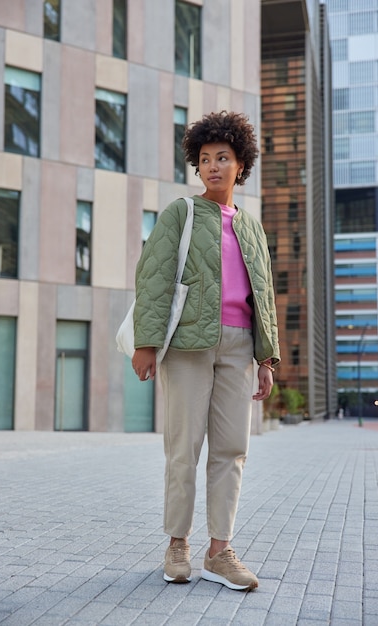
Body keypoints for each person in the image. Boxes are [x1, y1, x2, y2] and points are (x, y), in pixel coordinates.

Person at [132, 111, 280, 592]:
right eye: (205, 159)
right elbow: (153, 278)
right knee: (184, 448)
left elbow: (264, 293)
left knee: (232, 449)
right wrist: (146, 343)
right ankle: (178, 543)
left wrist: (266, 357)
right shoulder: (181, 213)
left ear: (241, 164)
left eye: (223, 157)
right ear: (197, 168)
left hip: (239, 347)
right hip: (188, 345)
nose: (213, 166)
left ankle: (221, 550)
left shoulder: (252, 228)